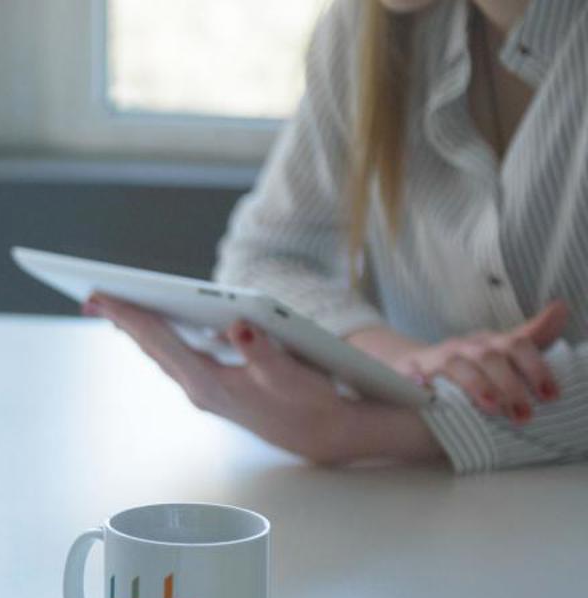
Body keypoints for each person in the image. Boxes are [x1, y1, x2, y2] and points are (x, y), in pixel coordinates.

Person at [87, 0, 588, 473]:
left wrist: (367, 431)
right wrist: (397, 360)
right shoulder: (368, 29)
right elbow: (265, 257)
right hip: (428, 516)